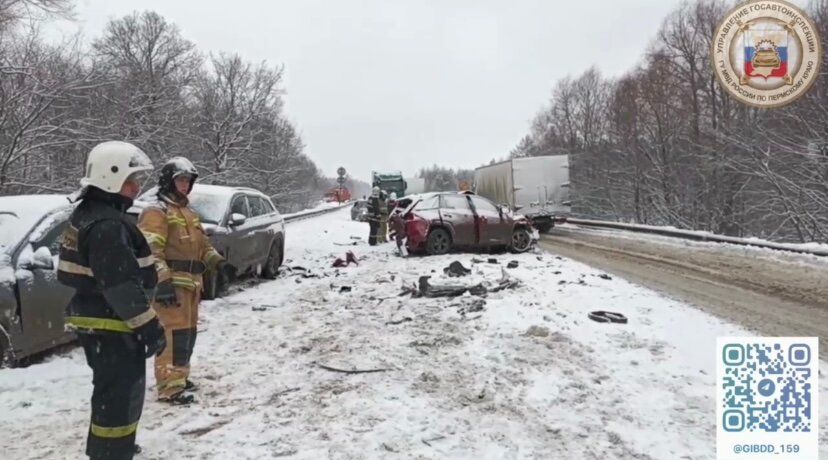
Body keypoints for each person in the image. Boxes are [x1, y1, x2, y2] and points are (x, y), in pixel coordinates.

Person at [57, 141, 167, 460]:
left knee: (110, 394)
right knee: (120, 397)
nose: (137, 186)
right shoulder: (107, 225)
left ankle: (110, 448)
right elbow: (120, 287)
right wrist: (150, 329)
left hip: (102, 320)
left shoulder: (93, 213)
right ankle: (111, 453)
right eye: (131, 180)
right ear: (110, 177)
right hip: (113, 323)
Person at [137, 157, 236, 405]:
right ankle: (169, 387)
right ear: (169, 181)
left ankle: (180, 377)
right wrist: (162, 281)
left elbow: (203, 245)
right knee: (171, 336)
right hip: (171, 286)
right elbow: (150, 251)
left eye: (188, 181)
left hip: (192, 284)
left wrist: (219, 263)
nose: (184, 185)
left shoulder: (189, 213)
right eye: (180, 180)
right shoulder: (156, 212)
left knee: (187, 335)